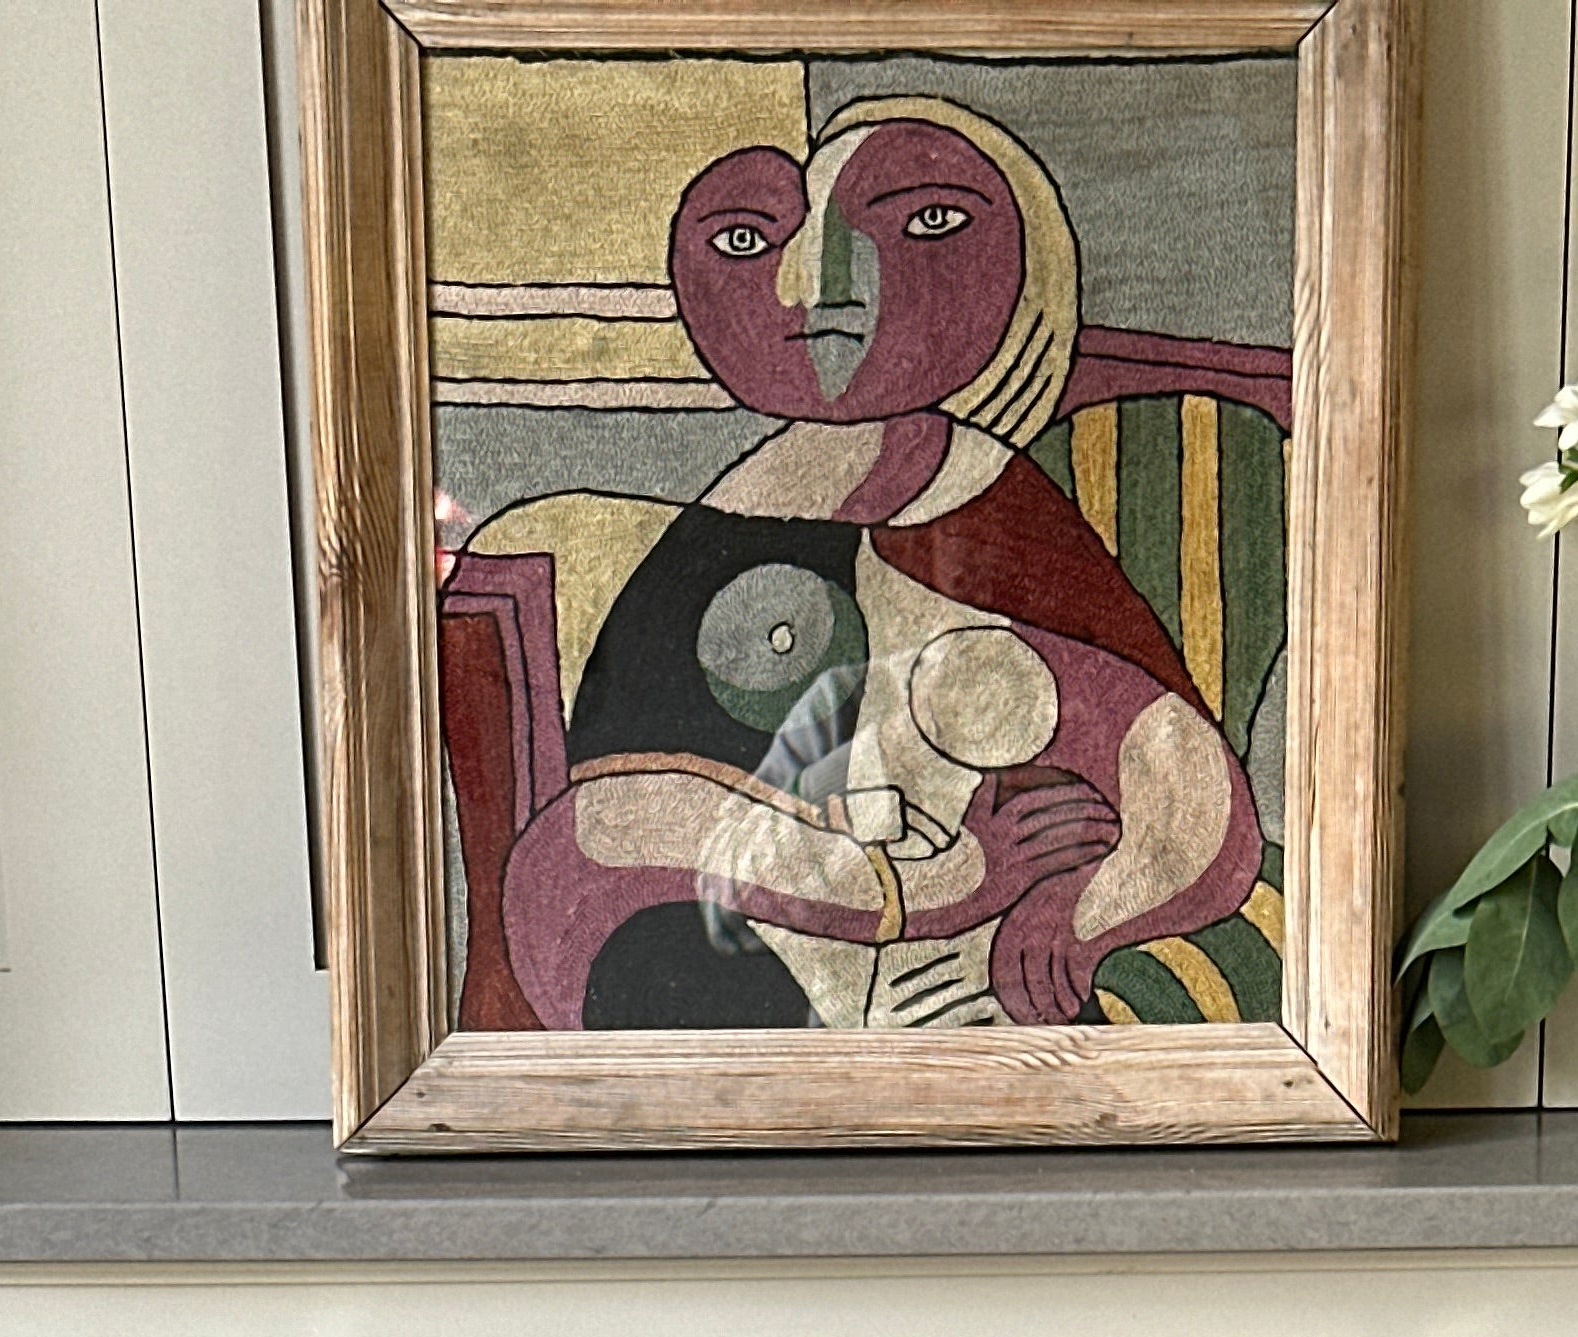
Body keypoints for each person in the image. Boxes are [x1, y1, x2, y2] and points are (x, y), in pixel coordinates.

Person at [487, 99, 1264, 1030]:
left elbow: (1191, 795)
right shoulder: (723, 527)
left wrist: (1080, 912)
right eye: (746, 239)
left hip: (968, 995)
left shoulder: (995, 509)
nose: (820, 287)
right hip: (762, 971)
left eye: (926, 223)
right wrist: (939, 883)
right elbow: (597, 842)